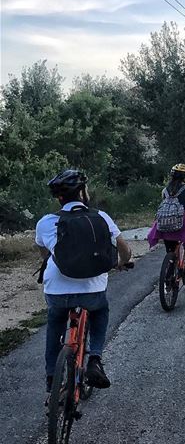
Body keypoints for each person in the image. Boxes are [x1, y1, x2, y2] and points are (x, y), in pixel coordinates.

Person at [36, 169, 132, 395]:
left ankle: (52, 376)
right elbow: (124, 249)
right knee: (100, 311)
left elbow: (45, 254)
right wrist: (121, 262)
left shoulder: (46, 222)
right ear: (82, 193)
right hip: (92, 290)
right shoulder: (101, 217)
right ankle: (95, 359)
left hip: (57, 290)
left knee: (55, 322)